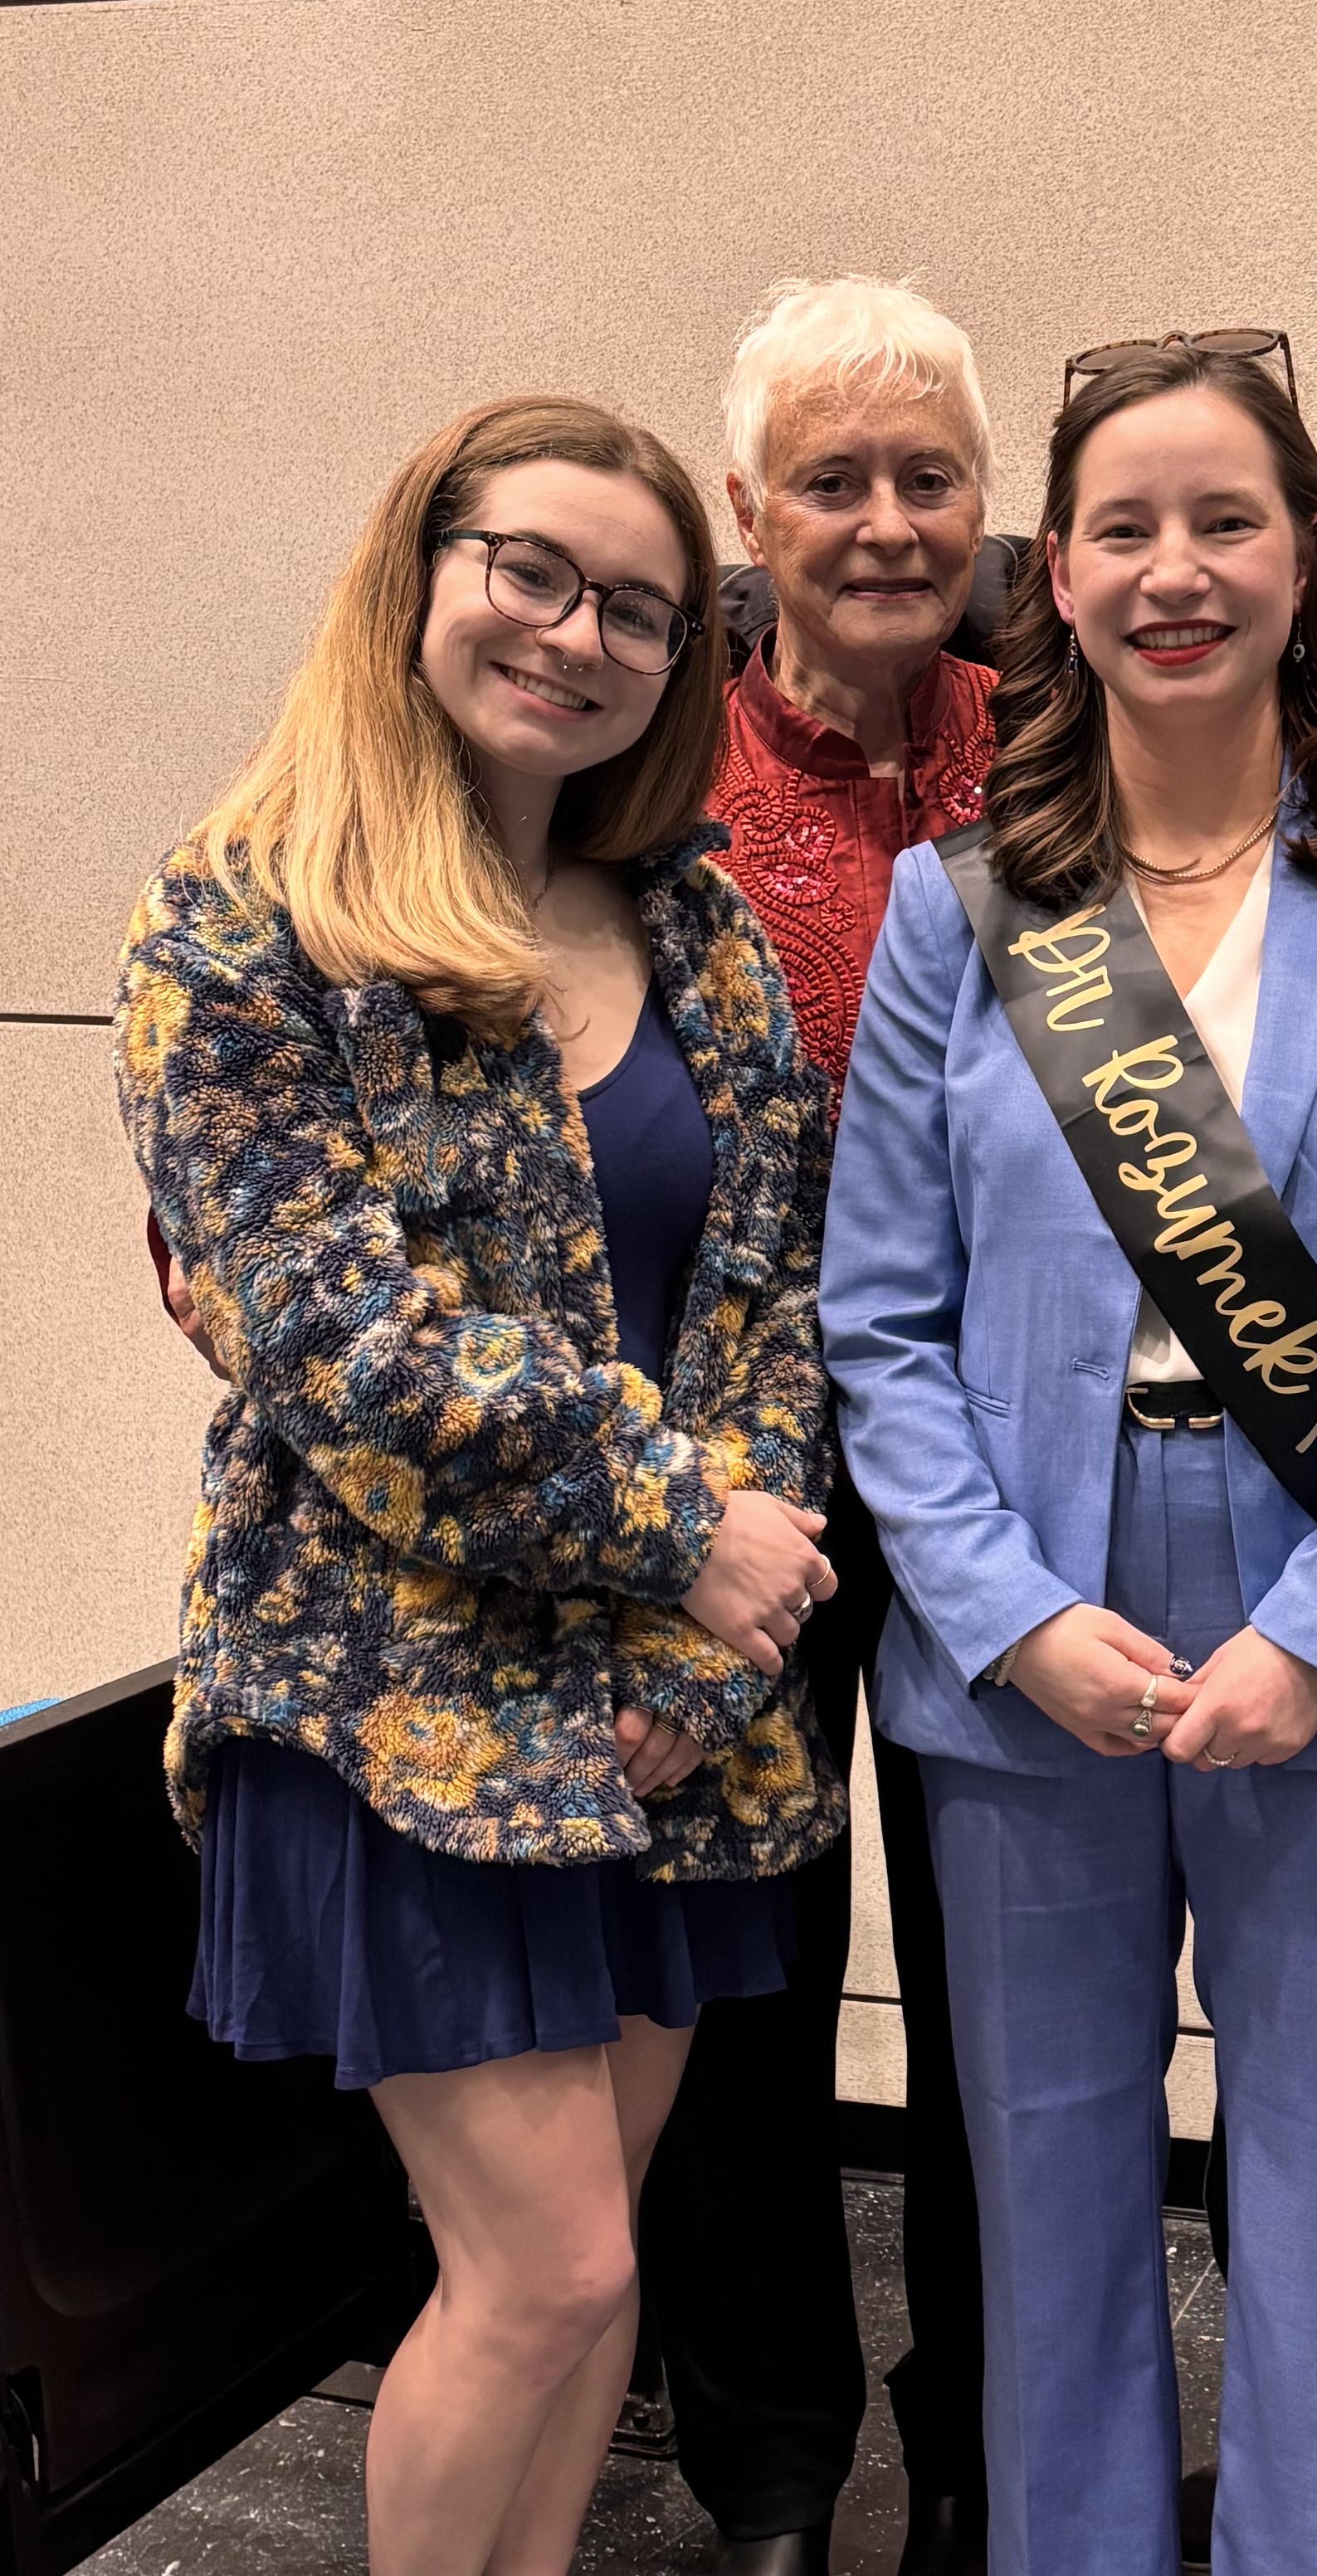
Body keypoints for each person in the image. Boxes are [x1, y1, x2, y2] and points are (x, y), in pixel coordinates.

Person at [821, 343, 1317, 2576]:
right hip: (1022, 1615)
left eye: (1224, 521)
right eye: (1119, 527)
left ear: (1302, 563)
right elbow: (879, 1311)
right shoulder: (961, 913)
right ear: (1055, 575)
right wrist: (1009, 1613)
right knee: (1042, 2169)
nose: (1172, 572)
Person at [114, 395, 845, 2576]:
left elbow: (769, 1312)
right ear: (421, 563)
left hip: (655, 1715)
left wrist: (708, 1649)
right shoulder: (247, 920)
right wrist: (678, 1535)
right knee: (547, 2273)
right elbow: (342, 1345)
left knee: (582, 2266)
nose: (576, 630)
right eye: (530, 565)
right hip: (386, 1710)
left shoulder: (696, 931)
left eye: (634, 602)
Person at [648, 273, 1005, 2576]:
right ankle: (766, 2458)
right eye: (832, 480)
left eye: (929, 479)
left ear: (990, 513)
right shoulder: (645, 759)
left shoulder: (1070, 736)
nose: (883, 521)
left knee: (1007, 1997)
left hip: (1012, 1475)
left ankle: (991, 2435)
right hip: (738, 1485)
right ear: (747, 513)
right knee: (747, 1986)